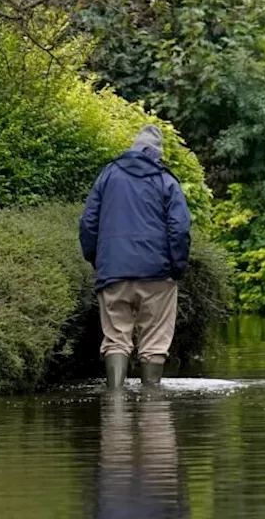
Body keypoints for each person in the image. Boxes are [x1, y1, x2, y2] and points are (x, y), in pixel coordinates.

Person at [80, 125, 191, 390]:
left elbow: (88, 223)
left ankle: (115, 403)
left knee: (116, 339)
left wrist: (98, 260)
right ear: (157, 154)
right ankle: (153, 406)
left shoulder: (107, 176)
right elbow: (180, 229)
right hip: (158, 276)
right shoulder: (166, 181)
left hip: (113, 272)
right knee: (154, 342)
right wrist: (176, 268)